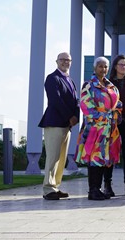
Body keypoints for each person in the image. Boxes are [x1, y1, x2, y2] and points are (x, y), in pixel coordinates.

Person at [75, 56, 122, 201]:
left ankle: (99, 188)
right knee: (94, 158)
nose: (103, 69)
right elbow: (85, 105)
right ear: (95, 68)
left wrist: (115, 116)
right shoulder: (88, 85)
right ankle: (93, 190)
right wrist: (102, 117)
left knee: (104, 159)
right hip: (95, 129)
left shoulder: (111, 86)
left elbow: (118, 104)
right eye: (100, 66)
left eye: (106, 66)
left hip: (110, 129)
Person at [39, 52, 80, 200]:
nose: (65, 62)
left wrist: (76, 116)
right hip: (55, 123)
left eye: (68, 60)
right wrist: (70, 116)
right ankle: (48, 189)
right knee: (53, 157)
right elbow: (56, 100)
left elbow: (76, 101)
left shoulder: (70, 80)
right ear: (57, 61)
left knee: (61, 158)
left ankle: (55, 187)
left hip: (66, 125)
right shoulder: (52, 78)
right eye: (62, 60)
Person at [102, 54, 125, 197]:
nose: (124, 67)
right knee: (109, 153)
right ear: (115, 66)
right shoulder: (107, 83)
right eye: (121, 64)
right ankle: (107, 185)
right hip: (111, 123)